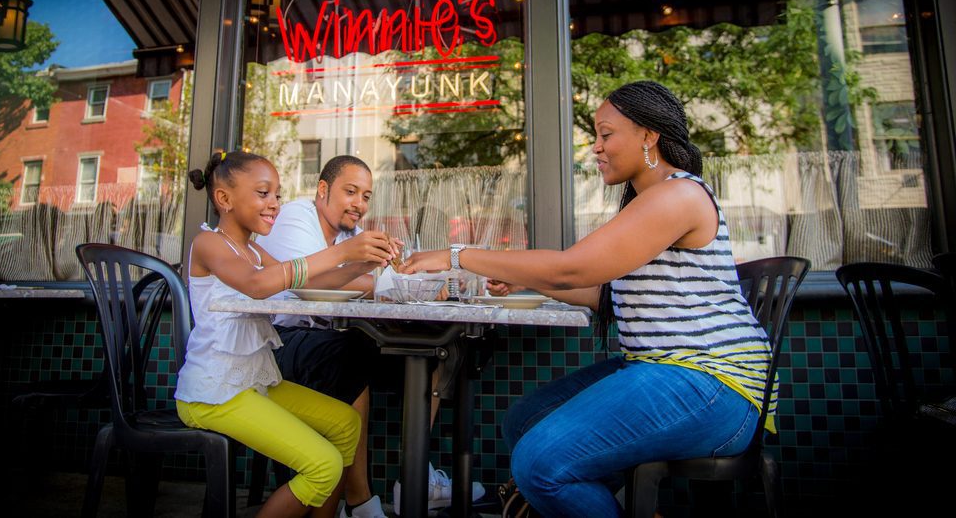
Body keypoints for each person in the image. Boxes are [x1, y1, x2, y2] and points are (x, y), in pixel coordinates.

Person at [400, 81, 773, 517]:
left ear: (648, 135)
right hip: (668, 370)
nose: (596, 148)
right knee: (525, 422)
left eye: (606, 134)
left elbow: (572, 267)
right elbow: (604, 296)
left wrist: (457, 255)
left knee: (539, 462)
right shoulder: (653, 200)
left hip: (714, 385)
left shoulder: (678, 195)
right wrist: (525, 282)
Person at [255, 155, 486, 518]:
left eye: (365, 196)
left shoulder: (347, 234)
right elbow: (307, 285)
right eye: (350, 192)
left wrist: (403, 275)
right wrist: (393, 280)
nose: (359, 204)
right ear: (322, 190)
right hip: (280, 340)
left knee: (435, 353)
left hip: (331, 336)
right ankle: (360, 502)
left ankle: (416, 479)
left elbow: (358, 281)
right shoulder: (295, 218)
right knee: (353, 355)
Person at [176, 150, 400, 518]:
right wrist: (342, 250)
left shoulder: (254, 251)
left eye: (277, 195)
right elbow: (258, 286)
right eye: (264, 193)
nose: (275, 204)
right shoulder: (209, 244)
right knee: (323, 465)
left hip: (255, 381)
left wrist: (364, 264)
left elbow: (310, 285)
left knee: (346, 425)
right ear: (224, 199)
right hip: (214, 392)